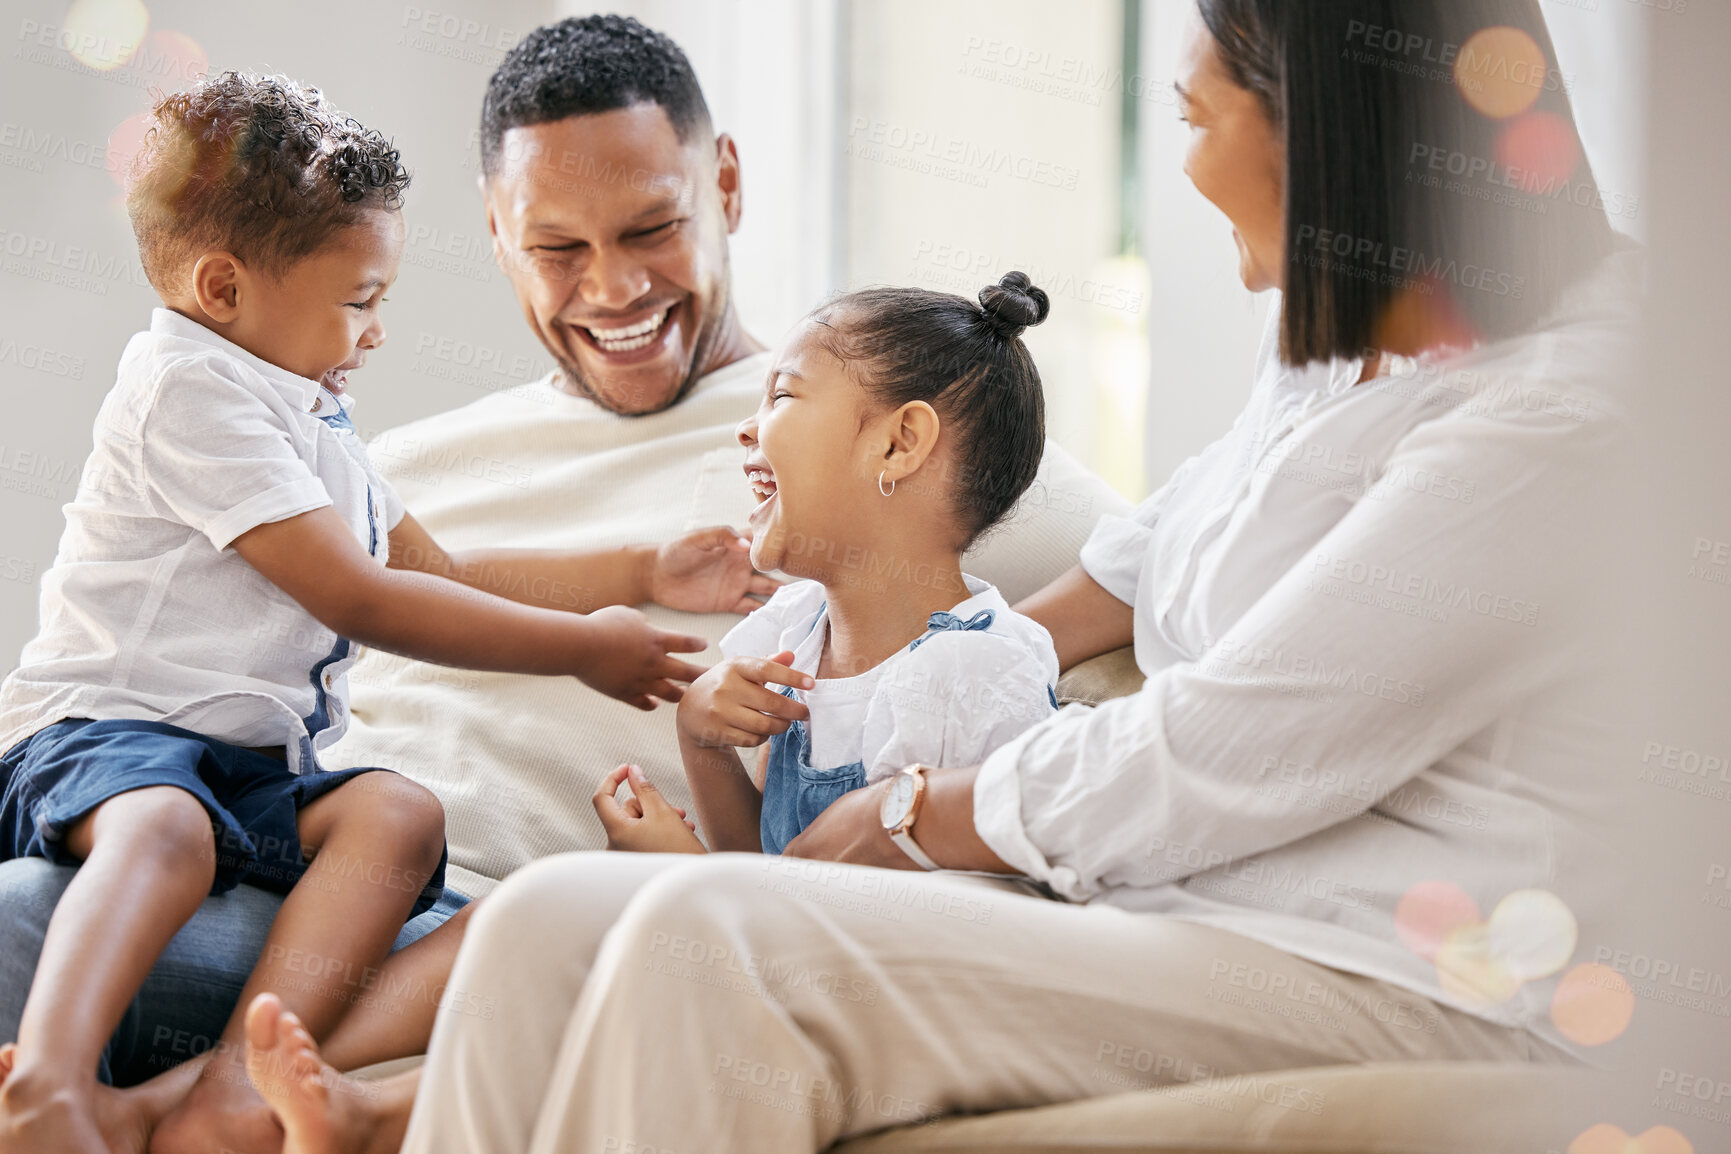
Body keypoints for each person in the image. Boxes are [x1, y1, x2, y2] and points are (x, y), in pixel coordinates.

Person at [224, 0, 1646, 1150]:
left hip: (1397, 970)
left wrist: (910, 806)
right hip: (1192, 919)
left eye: (1198, 117)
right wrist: (895, 669)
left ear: (1321, 133)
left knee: (718, 942)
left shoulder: (1552, 420)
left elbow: (1221, 751)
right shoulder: (1346, 362)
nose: (1190, 162)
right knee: (540, 917)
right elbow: (1120, 567)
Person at [0, 71, 763, 1154]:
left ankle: (230, 1093)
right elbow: (361, 595)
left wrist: (636, 565)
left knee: (398, 813)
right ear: (223, 288)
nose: (376, 332)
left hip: (240, 773)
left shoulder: (311, 407)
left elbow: (432, 568)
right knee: (163, 831)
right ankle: (46, 1087)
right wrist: (587, 648)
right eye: (360, 300)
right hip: (107, 738)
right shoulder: (188, 392)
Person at [597, 276, 1062, 857]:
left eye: (782, 396)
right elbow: (758, 865)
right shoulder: (796, 634)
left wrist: (685, 872)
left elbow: (876, 934)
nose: (746, 428)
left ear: (899, 445)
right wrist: (701, 742)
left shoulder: (975, 679)